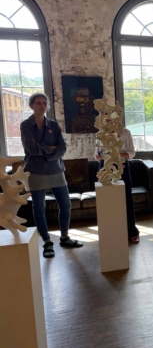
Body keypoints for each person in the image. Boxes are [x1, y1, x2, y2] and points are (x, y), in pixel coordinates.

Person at [20, 93, 83, 258]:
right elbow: (31, 149)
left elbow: (62, 148)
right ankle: (47, 242)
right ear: (31, 105)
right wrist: (51, 148)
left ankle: (64, 237)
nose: (42, 106)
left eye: (44, 103)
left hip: (56, 170)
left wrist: (44, 149)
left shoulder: (54, 125)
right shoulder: (26, 125)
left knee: (66, 205)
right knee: (39, 209)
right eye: (38, 103)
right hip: (36, 172)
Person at [95, 126, 140, 243]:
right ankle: (109, 231)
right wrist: (98, 157)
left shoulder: (125, 132)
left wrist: (116, 155)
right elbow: (96, 154)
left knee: (126, 198)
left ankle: (132, 231)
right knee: (106, 200)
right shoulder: (100, 133)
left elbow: (132, 152)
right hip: (104, 166)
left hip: (121, 166)